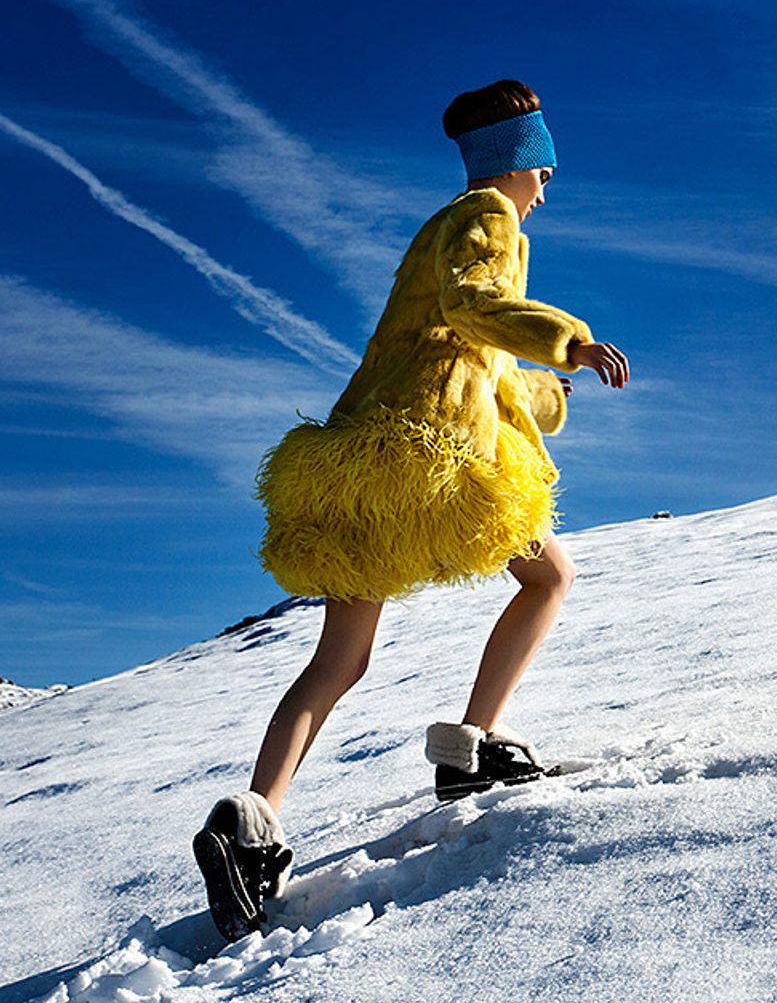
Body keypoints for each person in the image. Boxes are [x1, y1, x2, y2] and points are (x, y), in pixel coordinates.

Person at [192, 79, 631, 939]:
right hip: (429, 456)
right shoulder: (485, 219)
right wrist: (569, 339)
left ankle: (252, 821)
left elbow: (463, 345)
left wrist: (550, 389)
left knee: (340, 659)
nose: (548, 183)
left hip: (371, 451)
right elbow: (479, 307)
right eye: (543, 165)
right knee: (548, 576)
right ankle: (474, 744)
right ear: (518, 159)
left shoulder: (436, 230)